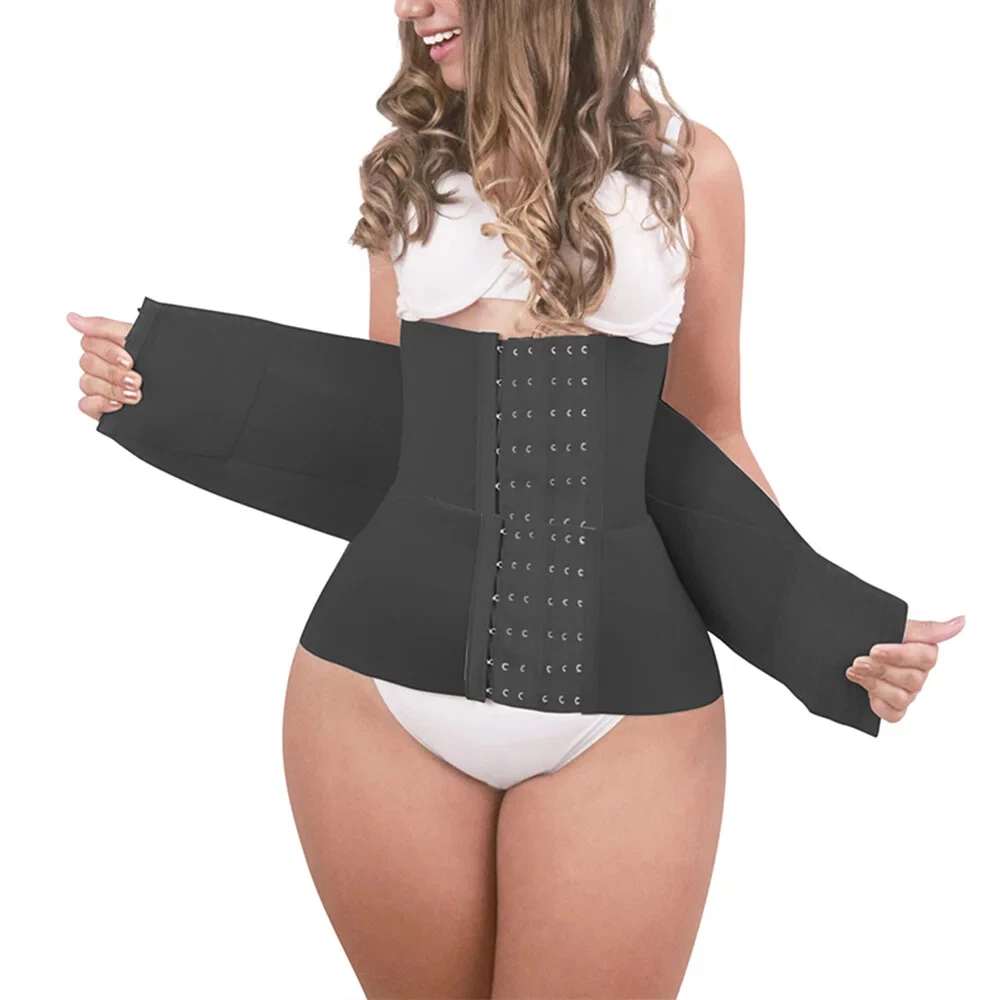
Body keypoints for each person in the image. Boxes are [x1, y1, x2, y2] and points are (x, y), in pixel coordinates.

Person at [70, 1, 965, 997]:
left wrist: (816, 623)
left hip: (628, 702)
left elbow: (709, 431)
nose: (410, 7)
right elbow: (386, 427)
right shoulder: (406, 167)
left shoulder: (689, 166)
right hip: (375, 686)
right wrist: (163, 385)